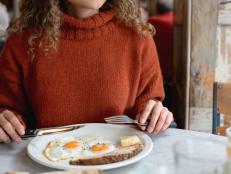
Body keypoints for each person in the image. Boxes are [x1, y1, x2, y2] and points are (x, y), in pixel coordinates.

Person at [0, 0, 173, 144]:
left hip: (122, 162)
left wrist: (153, 114)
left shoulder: (138, 37)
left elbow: (145, 104)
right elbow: (9, 109)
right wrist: (6, 119)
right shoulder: (22, 42)